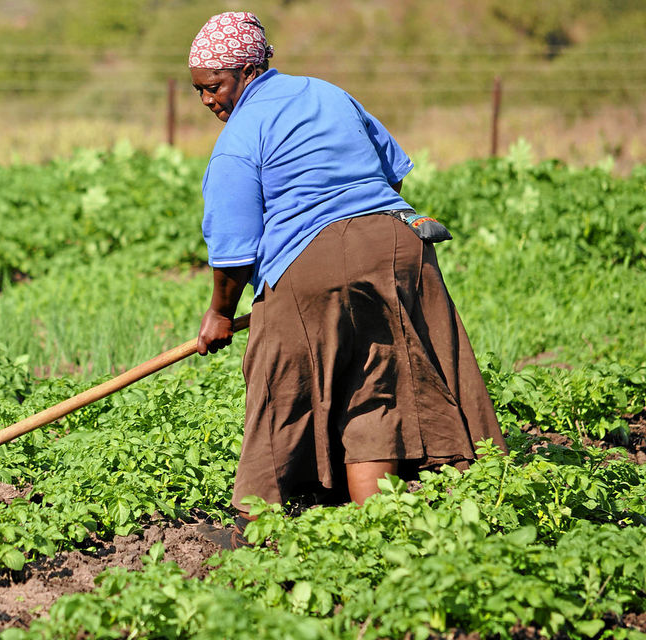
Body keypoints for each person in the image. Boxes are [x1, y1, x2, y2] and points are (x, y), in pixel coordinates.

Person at [188, 12, 507, 546]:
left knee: (278, 389)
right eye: (198, 89)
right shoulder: (327, 93)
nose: (207, 100)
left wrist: (221, 313)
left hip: (312, 263)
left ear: (248, 70)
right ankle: (378, 532)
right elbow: (392, 168)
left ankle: (251, 529)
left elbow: (234, 250)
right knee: (375, 386)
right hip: (400, 248)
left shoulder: (240, 139)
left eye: (214, 85)